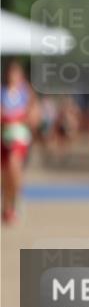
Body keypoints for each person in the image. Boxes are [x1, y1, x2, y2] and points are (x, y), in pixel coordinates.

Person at [2, 59, 39, 225]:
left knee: (14, 165)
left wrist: (21, 117)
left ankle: (17, 200)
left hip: (20, 138)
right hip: (4, 137)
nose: (13, 76)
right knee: (5, 177)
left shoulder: (27, 93)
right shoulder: (2, 92)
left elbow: (34, 116)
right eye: (11, 72)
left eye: (16, 72)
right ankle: (7, 207)